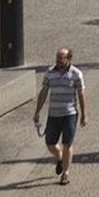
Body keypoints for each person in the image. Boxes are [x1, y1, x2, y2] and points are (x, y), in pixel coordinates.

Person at [32, 46, 86, 185]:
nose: (58, 60)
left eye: (61, 58)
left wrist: (84, 114)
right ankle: (59, 157)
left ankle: (65, 173)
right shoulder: (50, 72)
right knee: (50, 143)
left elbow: (81, 94)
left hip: (70, 113)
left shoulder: (76, 74)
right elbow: (44, 92)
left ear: (69, 59)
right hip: (54, 114)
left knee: (67, 143)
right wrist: (37, 111)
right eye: (57, 57)